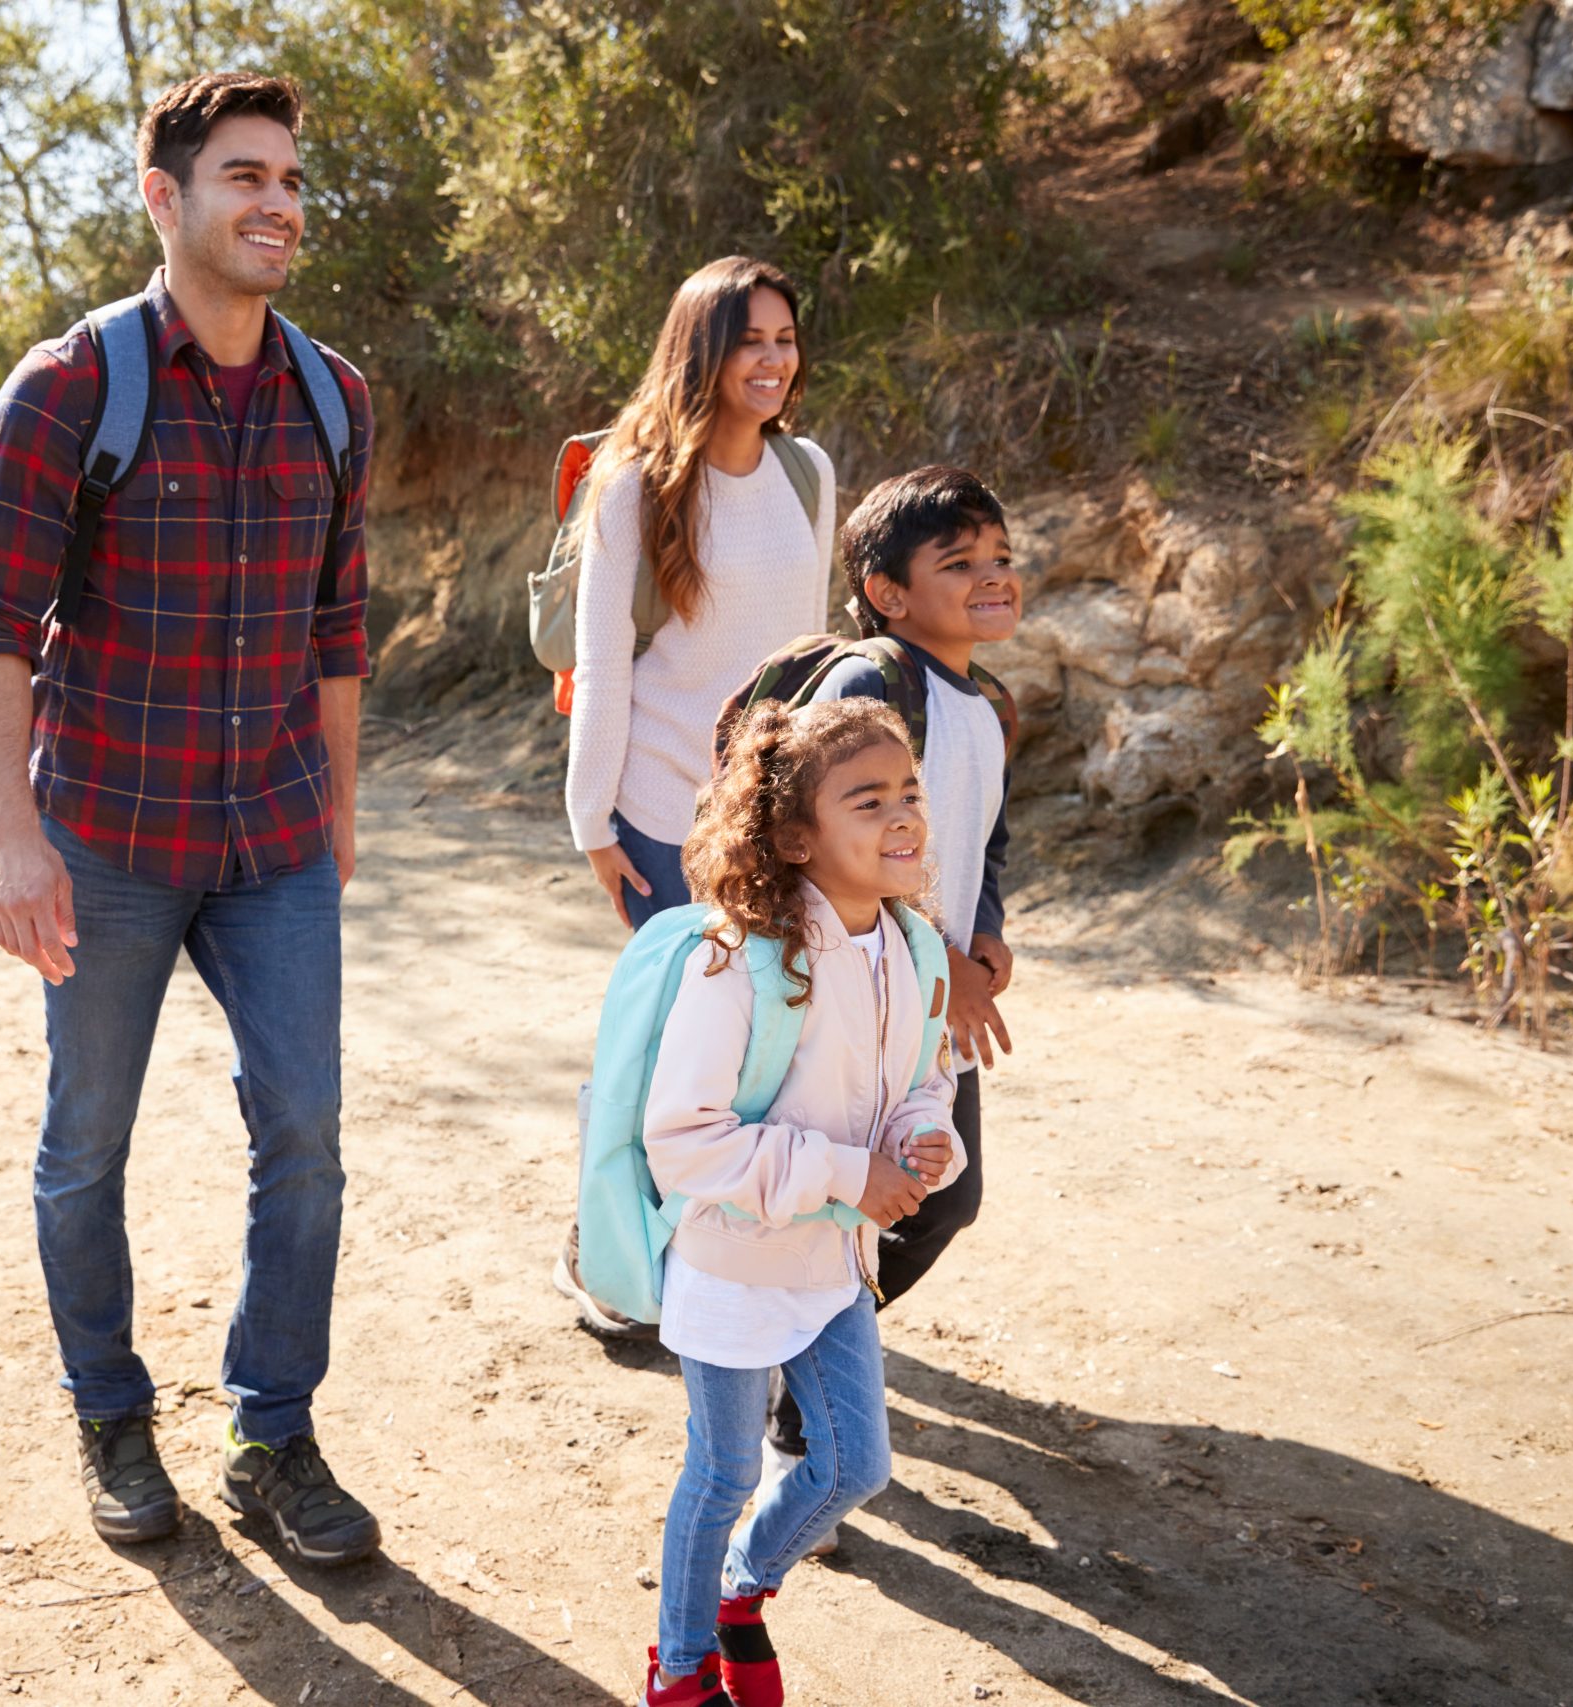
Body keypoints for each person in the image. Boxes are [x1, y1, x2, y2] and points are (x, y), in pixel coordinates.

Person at [0, 71, 381, 1567]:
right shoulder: (71, 387)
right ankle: (111, 1411)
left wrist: (340, 810)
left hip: (272, 839)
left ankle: (273, 1431)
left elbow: (339, 624)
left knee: (307, 1136)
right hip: (108, 839)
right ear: (165, 198)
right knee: (88, 1141)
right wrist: (14, 836)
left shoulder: (336, 395)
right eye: (243, 175)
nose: (277, 202)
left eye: (291, 180)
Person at [636, 698, 964, 1707]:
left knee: (852, 1469)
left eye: (907, 791)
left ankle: (744, 1591)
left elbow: (924, 1074)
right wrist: (841, 1172)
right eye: (865, 800)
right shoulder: (735, 961)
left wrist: (923, 1136)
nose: (901, 814)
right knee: (724, 1475)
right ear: (793, 837)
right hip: (735, 1266)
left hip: (835, 1269)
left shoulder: (911, 947)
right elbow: (682, 1138)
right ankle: (681, 1667)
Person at [553, 256, 835, 1339]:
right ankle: (601, 1248)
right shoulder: (633, 484)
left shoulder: (807, 473)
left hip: (766, 820)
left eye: (784, 340)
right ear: (701, 353)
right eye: (749, 342)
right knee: (668, 1051)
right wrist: (591, 827)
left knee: (758, 1056)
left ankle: (719, 1278)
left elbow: (808, 660)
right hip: (658, 819)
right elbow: (604, 665)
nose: (772, 362)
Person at [762, 466, 1021, 1545]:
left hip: (925, 1000)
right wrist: (928, 956)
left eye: (999, 558)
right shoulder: (872, 684)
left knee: (937, 1198)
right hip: (850, 997)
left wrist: (985, 937)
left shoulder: (986, 704)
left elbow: (984, 839)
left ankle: (798, 1378)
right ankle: (799, 1433)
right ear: (885, 590)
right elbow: (808, 824)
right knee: (870, 1207)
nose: (990, 579)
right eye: (955, 564)